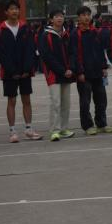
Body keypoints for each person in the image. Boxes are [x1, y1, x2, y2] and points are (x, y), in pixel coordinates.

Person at [0, 0, 41, 142]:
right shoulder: (0, 29)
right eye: (11, 9)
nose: (14, 11)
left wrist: (27, 68)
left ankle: (29, 129)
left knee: (26, 99)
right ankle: (12, 132)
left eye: (16, 8)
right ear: (6, 12)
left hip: (25, 71)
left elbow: (31, 48)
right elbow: (1, 53)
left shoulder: (26, 27)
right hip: (9, 72)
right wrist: (11, 70)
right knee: (12, 100)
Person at [71, 6, 112, 135]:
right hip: (84, 74)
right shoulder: (75, 34)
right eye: (83, 15)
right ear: (78, 17)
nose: (86, 17)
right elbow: (74, 55)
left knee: (101, 100)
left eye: (88, 15)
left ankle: (101, 124)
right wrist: (79, 72)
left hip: (98, 72)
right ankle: (88, 126)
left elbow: (100, 51)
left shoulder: (96, 32)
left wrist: (104, 67)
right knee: (85, 102)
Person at [38, 10, 74, 142]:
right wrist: (62, 70)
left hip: (67, 73)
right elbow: (46, 56)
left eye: (61, 16)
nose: (59, 19)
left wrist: (70, 68)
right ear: (51, 19)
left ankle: (64, 129)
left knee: (66, 103)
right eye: (56, 17)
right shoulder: (46, 35)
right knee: (56, 102)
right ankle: (55, 131)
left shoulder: (67, 34)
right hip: (53, 73)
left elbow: (72, 53)